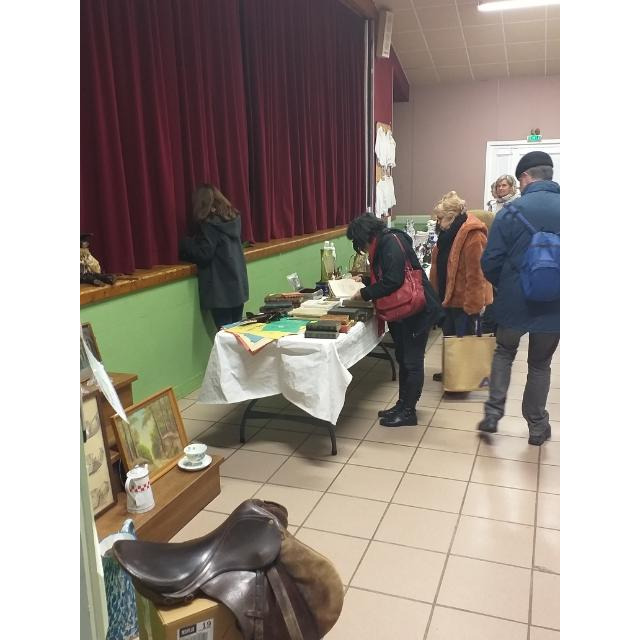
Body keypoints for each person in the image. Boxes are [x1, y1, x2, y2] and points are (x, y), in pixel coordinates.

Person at [478, 151, 560, 445]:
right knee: (539, 365)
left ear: (525, 177)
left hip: (514, 301)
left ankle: (492, 414)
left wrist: (504, 287)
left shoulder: (510, 212)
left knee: (504, 353)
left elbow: (490, 261)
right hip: (555, 304)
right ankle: (537, 427)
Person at [347, 214, 442, 427]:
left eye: (360, 243)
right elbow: (388, 273)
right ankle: (402, 404)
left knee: (412, 361)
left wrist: (365, 293)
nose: (362, 249)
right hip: (404, 311)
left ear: (365, 236)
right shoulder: (385, 241)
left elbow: (393, 280)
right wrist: (364, 279)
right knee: (403, 358)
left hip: (416, 310)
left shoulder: (390, 242)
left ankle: (409, 411)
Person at [429, 192, 493, 377]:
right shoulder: (448, 233)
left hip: (465, 299)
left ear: (451, 216)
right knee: (450, 337)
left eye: (440, 218)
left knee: (464, 339)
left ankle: (462, 380)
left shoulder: (473, 235)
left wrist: (474, 305)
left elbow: (477, 273)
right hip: (449, 296)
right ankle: (452, 374)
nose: (437, 222)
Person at [179, 184, 249, 331]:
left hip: (220, 292)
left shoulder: (210, 225)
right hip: (237, 287)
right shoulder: (232, 220)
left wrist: (186, 243)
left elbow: (204, 254)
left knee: (225, 336)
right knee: (235, 334)